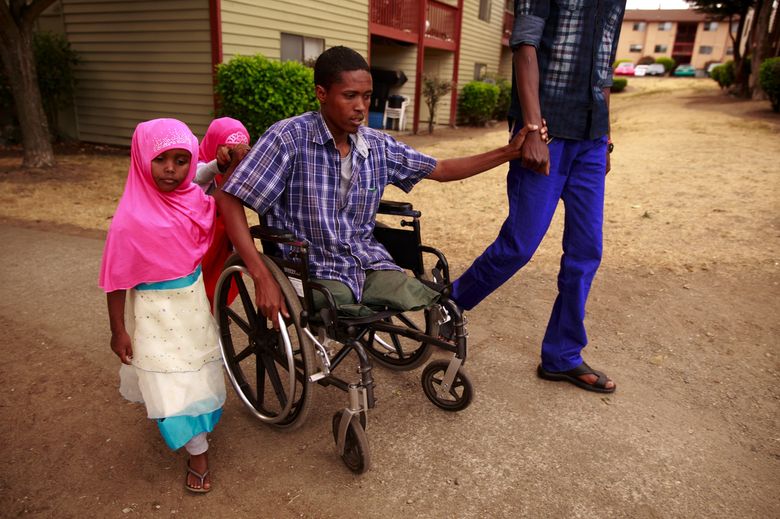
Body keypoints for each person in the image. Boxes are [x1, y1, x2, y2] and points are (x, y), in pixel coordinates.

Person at [216, 46, 543, 326]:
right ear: (321, 94)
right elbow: (229, 198)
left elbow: (441, 169)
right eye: (350, 96)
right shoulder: (288, 139)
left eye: (367, 96)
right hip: (306, 265)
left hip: (363, 261)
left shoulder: (377, 145)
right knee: (339, 299)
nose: (361, 106)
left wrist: (507, 152)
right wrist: (260, 274)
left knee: (417, 291)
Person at [448, 0, 626, 393]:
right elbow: (524, 45)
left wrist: (607, 139)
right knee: (520, 244)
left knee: (586, 250)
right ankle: (450, 303)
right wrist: (530, 128)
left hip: (592, 138)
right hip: (546, 130)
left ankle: (561, 356)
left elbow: (604, 71)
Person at [99, 118, 247, 494]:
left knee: (197, 375)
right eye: (161, 159)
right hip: (154, 316)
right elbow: (116, 282)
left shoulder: (194, 200)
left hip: (193, 308)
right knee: (167, 385)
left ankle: (197, 430)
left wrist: (220, 166)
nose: (171, 169)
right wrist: (118, 330)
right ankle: (197, 453)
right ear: (141, 159)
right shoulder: (129, 221)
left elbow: (210, 192)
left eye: (181, 160)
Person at [194, 117, 251, 307]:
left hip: (223, 239)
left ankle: (217, 309)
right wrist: (216, 165)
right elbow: (198, 176)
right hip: (199, 240)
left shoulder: (240, 171)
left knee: (220, 278)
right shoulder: (196, 165)